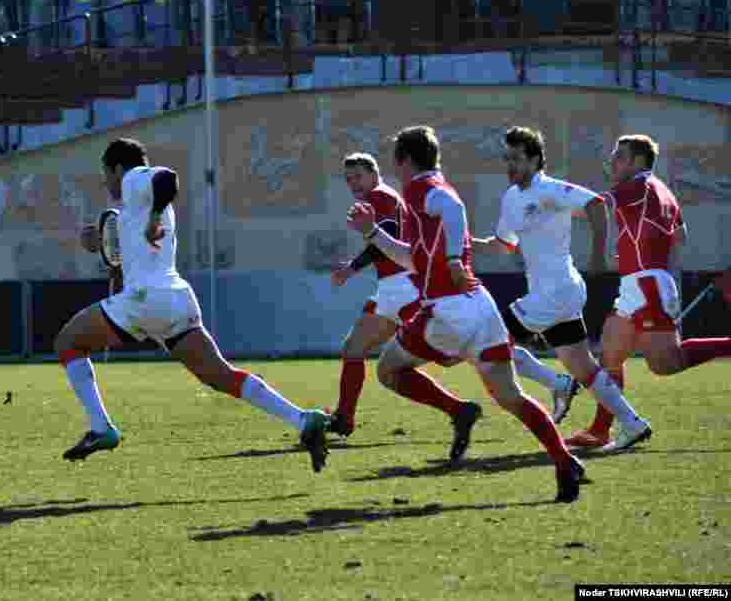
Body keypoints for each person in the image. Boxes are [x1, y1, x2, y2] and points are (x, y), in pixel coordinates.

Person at [55, 138, 331, 472]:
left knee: (68, 342)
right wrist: (99, 244)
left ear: (116, 168)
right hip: (175, 299)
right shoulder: (135, 205)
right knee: (220, 375)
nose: (105, 182)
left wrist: (154, 217)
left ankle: (101, 428)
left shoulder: (133, 179)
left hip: (145, 301)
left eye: (105, 174)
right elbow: (130, 257)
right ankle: (303, 419)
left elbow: (168, 177)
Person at [347, 126, 585, 503]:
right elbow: (413, 257)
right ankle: (563, 460)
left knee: (388, 369)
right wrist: (373, 232)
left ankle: (459, 411)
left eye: (397, 160)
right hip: (479, 305)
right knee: (511, 396)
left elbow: (452, 209)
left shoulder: (421, 188)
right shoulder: (430, 188)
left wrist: (455, 256)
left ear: (405, 161)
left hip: (446, 309)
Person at [471, 127, 651, 450]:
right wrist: (466, 244)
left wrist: (597, 254)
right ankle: (633, 423)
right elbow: (503, 245)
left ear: (536, 160)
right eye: (506, 159)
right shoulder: (511, 198)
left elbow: (596, 204)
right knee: (584, 367)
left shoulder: (550, 189)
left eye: (517, 159)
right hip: (553, 296)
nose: (510, 165)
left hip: (556, 293)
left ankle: (557, 384)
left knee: (488, 342)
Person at [569, 135, 731, 450]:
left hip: (647, 285)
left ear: (638, 161)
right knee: (610, 355)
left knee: (665, 363)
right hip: (642, 282)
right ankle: (600, 430)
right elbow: (679, 235)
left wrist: (551, 205)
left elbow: (594, 207)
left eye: (619, 156)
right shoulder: (664, 191)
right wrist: (635, 253)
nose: (612, 162)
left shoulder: (637, 186)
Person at [327, 152, 422, 438]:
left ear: (374, 173)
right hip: (393, 288)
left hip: (404, 285)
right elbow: (382, 236)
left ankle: (459, 410)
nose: (353, 183)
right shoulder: (382, 197)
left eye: (357, 176)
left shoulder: (379, 196)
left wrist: (351, 269)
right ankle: (343, 418)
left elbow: (384, 235)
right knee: (353, 349)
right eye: (348, 179)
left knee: (462, 347)